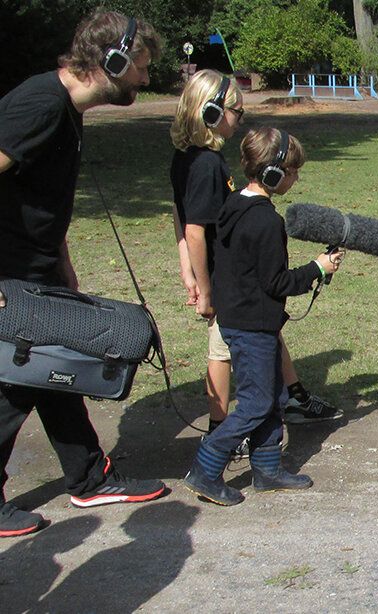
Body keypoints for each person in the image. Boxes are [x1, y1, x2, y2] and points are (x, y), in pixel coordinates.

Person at [0, 10, 167, 538]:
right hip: (10, 274)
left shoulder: (63, 109)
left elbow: (35, 195)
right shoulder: (39, 104)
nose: (144, 78)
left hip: (38, 266)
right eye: (140, 66)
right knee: (13, 384)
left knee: (57, 367)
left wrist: (61, 260)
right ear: (112, 61)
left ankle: (89, 477)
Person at [169, 71, 343, 458]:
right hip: (230, 279)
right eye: (236, 111)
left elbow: (179, 216)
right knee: (226, 352)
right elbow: (195, 230)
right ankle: (218, 440)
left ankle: (290, 400)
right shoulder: (205, 165)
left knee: (265, 331)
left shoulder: (192, 158)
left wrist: (187, 271)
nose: (240, 119)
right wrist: (204, 287)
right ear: (211, 113)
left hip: (234, 278)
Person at [184, 127, 340, 506]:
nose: (296, 177)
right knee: (255, 404)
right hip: (252, 326)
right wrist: (318, 268)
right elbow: (277, 282)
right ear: (272, 174)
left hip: (245, 320)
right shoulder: (267, 222)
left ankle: (267, 468)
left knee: (273, 396)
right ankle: (205, 469)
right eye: (292, 171)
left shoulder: (234, 204)